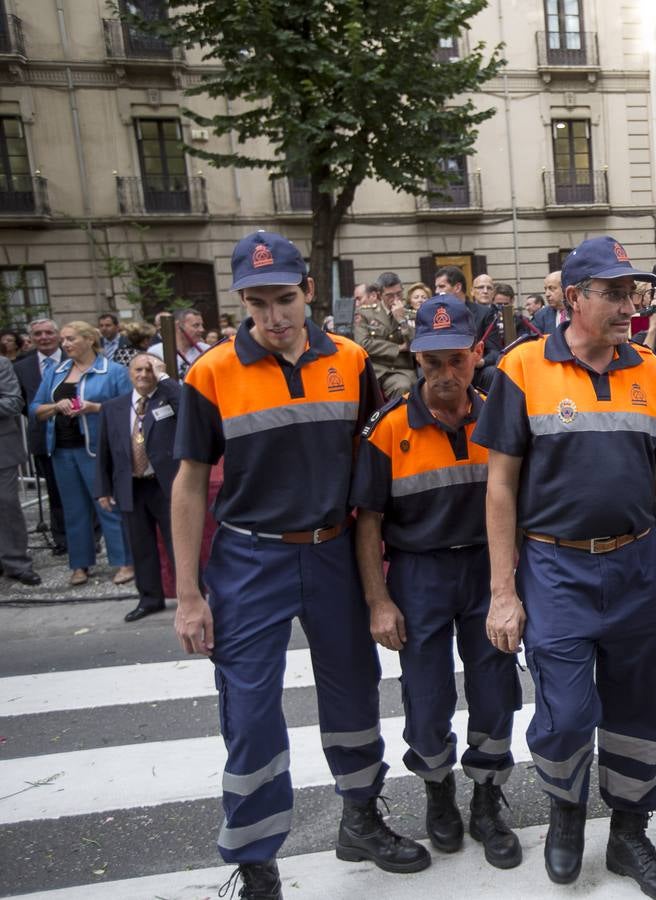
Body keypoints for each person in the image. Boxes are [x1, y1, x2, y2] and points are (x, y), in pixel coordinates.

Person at [172, 231, 428, 898]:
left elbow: (374, 466)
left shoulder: (349, 358)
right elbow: (190, 482)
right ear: (241, 302)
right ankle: (257, 859)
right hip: (249, 556)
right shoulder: (210, 373)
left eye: (285, 298)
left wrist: (384, 573)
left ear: (309, 291)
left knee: (353, 691)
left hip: (334, 551)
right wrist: (188, 594)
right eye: (258, 303)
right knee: (250, 709)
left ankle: (361, 817)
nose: (275, 317)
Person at [474, 235, 656, 898]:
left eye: (631, 291)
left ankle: (629, 835)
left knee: (639, 711)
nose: (628, 304)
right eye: (611, 292)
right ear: (572, 298)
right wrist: (503, 592)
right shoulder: (521, 369)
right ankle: (566, 812)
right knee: (567, 713)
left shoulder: (651, 371)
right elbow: (498, 486)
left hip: (636, 568)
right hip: (555, 571)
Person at [351, 294, 523, 870]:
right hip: (419, 574)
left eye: (457, 360)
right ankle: (438, 792)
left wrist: (514, 587)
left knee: (496, 689)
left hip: (487, 568)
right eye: (431, 364)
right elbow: (367, 523)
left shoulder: (500, 415)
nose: (445, 375)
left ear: (477, 355)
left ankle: (486, 800)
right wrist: (378, 601)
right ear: (414, 360)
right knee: (425, 697)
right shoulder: (387, 428)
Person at [31, 321, 132, 586]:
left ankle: (124, 561)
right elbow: (35, 408)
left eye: (71, 339)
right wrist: (55, 406)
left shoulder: (114, 371)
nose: (65, 344)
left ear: (89, 340)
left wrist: (94, 407)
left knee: (108, 506)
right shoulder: (57, 371)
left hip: (97, 450)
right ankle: (80, 564)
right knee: (73, 511)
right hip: (63, 450)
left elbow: (129, 408)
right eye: (63, 339)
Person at [96, 353, 179, 622]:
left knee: (177, 543)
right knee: (140, 546)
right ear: (129, 373)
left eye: (149, 370)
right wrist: (103, 489)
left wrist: (165, 377)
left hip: (165, 485)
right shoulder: (114, 407)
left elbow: (190, 406)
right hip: (132, 485)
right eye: (138, 370)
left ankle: (192, 595)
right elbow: (105, 451)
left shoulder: (169, 399)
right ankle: (150, 598)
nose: (143, 375)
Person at [15, 318, 66, 554]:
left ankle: (91, 536)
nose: (43, 337)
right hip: (41, 436)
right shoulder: (22, 366)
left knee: (82, 491)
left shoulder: (72, 359)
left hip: (74, 434)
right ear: (31, 338)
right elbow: (22, 402)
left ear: (57, 335)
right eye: (38, 334)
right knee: (55, 492)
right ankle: (61, 539)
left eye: (48, 332)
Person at [0, 354, 39, 585]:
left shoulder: (2, 364)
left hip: (2, 449)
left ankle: (17, 563)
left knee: (6, 505)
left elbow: (14, 402)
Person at [355, 273, 416, 401]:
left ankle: (399, 421)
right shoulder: (366, 314)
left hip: (401, 370)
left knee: (402, 387)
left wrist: (402, 320)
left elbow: (416, 345)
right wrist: (398, 348)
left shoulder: (410, 315)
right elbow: (362, 343)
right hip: (375, 370)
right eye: (390, 295)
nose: (395, 298)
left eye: (399, 293)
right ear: (380, 295)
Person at [148, 308, 211, 378]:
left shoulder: (207, 350)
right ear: (178, 326)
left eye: (201, 325)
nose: (202, 329)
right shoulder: (155, 352)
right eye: (196, 325)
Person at [531, 270, 568, 335]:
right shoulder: (540, 316)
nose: (547, 294)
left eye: (551, 288)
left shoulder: (580, 310)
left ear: (564, 288)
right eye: (545, 289)